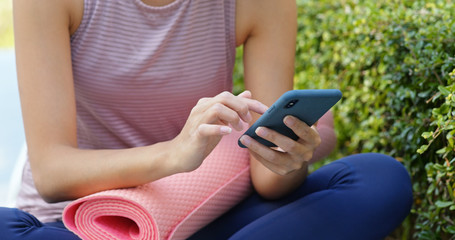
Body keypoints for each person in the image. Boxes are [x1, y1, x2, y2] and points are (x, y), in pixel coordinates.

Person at [1, 0, 412, 239]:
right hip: (88, 225)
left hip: (201, 214)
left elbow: (269, 183)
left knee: (379, 179)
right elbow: (52, 174)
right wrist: (175, 155)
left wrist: (288, 160)